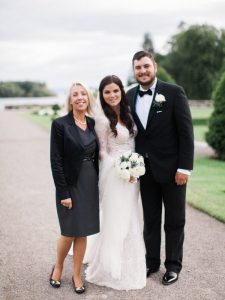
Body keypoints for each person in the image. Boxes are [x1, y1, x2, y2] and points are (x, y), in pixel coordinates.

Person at [126, 50, 194, 285]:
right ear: (133, 70)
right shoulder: (130, 95)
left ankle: (173, 266)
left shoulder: (174, 93)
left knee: (175, 220)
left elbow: (186, 133)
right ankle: (150, 262)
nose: (142, 71)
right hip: (144, 171)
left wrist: (185, 168)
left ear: (154, 66)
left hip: (173, 170)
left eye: (146, 66)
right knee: (151, 220)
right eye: (138, 67)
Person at [85, 75, 146, 290]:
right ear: (102, 95)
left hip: (133, 175)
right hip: (116, 175)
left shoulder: (129, 114)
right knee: (116, 220)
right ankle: (110, 269)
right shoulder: (102, 120)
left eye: (115, 91)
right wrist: (122, 168)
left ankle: (129, 263)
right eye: (107, 92)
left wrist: (134, 168)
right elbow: (102, 152)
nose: (112, 95)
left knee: (131, 217)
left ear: (121, 91)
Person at [50, 82, 99, 294]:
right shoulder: (60, 124)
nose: (80, 97)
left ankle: (77, 274)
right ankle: (59, 266)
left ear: (88, 98)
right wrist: (63, 192)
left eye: (83, 94)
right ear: (70, 100)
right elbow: (56, 160)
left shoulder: (93, 123)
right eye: (75, 95)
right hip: (70, 184)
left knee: (83, 231)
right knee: (69, 231)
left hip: (90, 183)